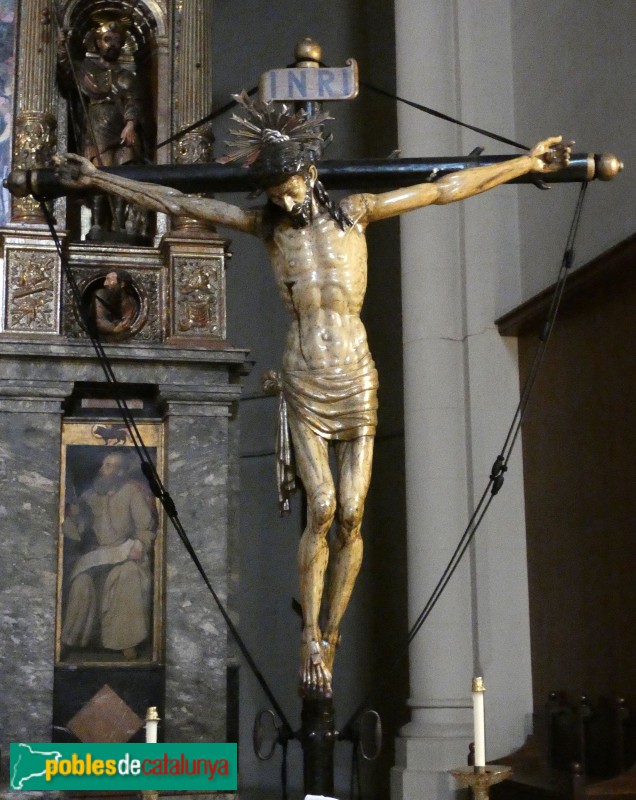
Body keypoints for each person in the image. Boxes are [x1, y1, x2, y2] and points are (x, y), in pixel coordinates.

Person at [54, 95, 571, 695]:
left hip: (355, 375)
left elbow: (441, 191)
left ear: (309, 173)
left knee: (352, 515)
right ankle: (308, 638)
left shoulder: (356, 212)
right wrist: (100, 177)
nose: (285, 198)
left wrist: (525, 163)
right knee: (322, 507)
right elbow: (180, 202)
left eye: (291, 185)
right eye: (275, 191)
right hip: (304, 375)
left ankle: (331, 631)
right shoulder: (268, 228)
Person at [62, 451, 158, 660]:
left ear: (120, 472)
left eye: (109, 465)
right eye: (103, 464)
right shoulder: (89, 496)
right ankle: (72, 641)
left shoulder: (131, 492)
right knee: (81, 582)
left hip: (125, 553)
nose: (102, 469)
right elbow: (77, 534)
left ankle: (126, 642)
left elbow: (146, 528)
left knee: (128, 575)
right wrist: (74, 518)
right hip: (96, 556)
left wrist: (140, 545)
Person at [57, 15, 144, 239]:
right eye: (107, 40)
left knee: (122, 175)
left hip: (122, 128)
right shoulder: (86, 69)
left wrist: (130, 125)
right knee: (99, 173)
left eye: (117, 41)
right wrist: (62, 47)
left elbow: (133, 102)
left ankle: (120, 225)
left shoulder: (127, 77)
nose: (112, 45)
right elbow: (67, 74)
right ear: (98, 43)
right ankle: (96, 224)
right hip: (97, 124)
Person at [90, 269, 138, 336]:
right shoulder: (100, 295)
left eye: (109, 279)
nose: (105, 284)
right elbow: (100, 320)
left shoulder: (132, 303)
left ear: (122, 284)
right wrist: (114, 329)